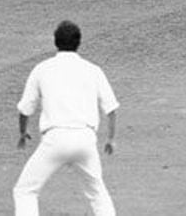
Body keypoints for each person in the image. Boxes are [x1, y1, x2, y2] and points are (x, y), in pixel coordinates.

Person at [13, 20, 119, 216]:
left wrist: (22, 132)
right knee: (98, 193)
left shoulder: (42, 69)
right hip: (86, 140)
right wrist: (111, 139)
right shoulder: (92, 69)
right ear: (79, 42)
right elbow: (111, 109)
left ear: (55, 41)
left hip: (55, 139)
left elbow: (25, 109)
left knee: (25, 190)